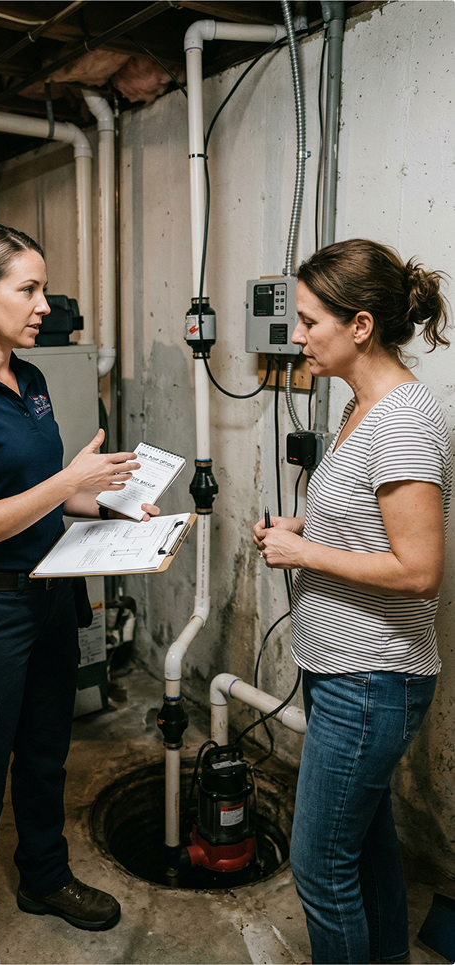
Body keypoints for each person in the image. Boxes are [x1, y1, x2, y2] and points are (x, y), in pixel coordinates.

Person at [0, 224, 159, 965]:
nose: (45, 304)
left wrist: (113, 506)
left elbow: (48, 498)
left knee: (46, 754)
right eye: (29, 288)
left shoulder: (33, 378)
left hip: (48, 593)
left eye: (43, 288)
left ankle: (43, 875)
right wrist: (66, 482)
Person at [253, 238, 452, 965]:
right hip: (346, 670)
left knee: (319, 866)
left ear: (360, 325)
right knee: (366, 851)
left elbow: (420, 568)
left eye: (310, 321)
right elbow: (372, 519)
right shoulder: (361, 404)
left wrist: (303, 553)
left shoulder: (400, 418)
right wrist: (307, 526)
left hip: (372, 679)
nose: (297, 335)